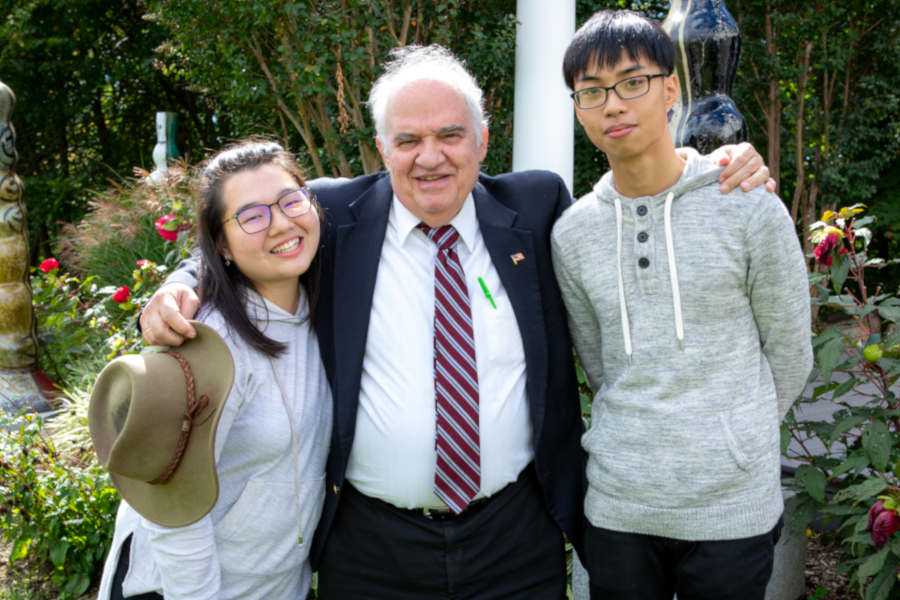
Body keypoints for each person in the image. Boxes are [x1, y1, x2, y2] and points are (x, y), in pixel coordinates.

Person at [140, 45, 774, 599]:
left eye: (449, 135)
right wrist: (177, 287)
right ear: (382, 148)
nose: (430, 158)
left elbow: (636, 183)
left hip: (515, 536)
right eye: (408, 141)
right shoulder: (332, 214)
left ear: (482, 141)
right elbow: (243, 237)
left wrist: (712, 164)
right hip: (370, 546)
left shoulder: (535, 204)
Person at [551, 11, 813, 600]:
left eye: (631, 82)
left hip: (731, 509)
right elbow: (600, 363)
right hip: (620, 508)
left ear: (672, 88)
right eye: (591, 92)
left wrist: (733, 443)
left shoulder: (745, 204)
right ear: (578, 108)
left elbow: (792, 349)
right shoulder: (573, 234)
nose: (613, 104)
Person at [97, 141, 332, 600]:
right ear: (220, 244)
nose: (282, 223)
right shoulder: (207, 343)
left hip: (277, 587)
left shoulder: (324, 308)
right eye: (252, 216)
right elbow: (172, 510)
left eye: (290, 201)